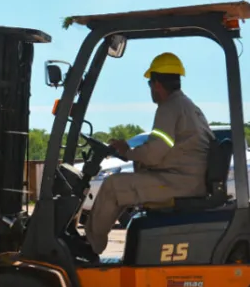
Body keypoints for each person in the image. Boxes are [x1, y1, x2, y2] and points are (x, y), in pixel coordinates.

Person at [82, 52, 214, 257]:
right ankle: (93, 243)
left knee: (112, 186)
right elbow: (166, 146)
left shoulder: (169, 107)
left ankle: (89, 248)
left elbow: (154, 153)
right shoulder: (188, 106)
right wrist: (129, 150)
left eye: (149, 84)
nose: (150, 89)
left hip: (180, 182)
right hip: (188, 178)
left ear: (157, 84)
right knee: (124, 187)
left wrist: (128, 152)